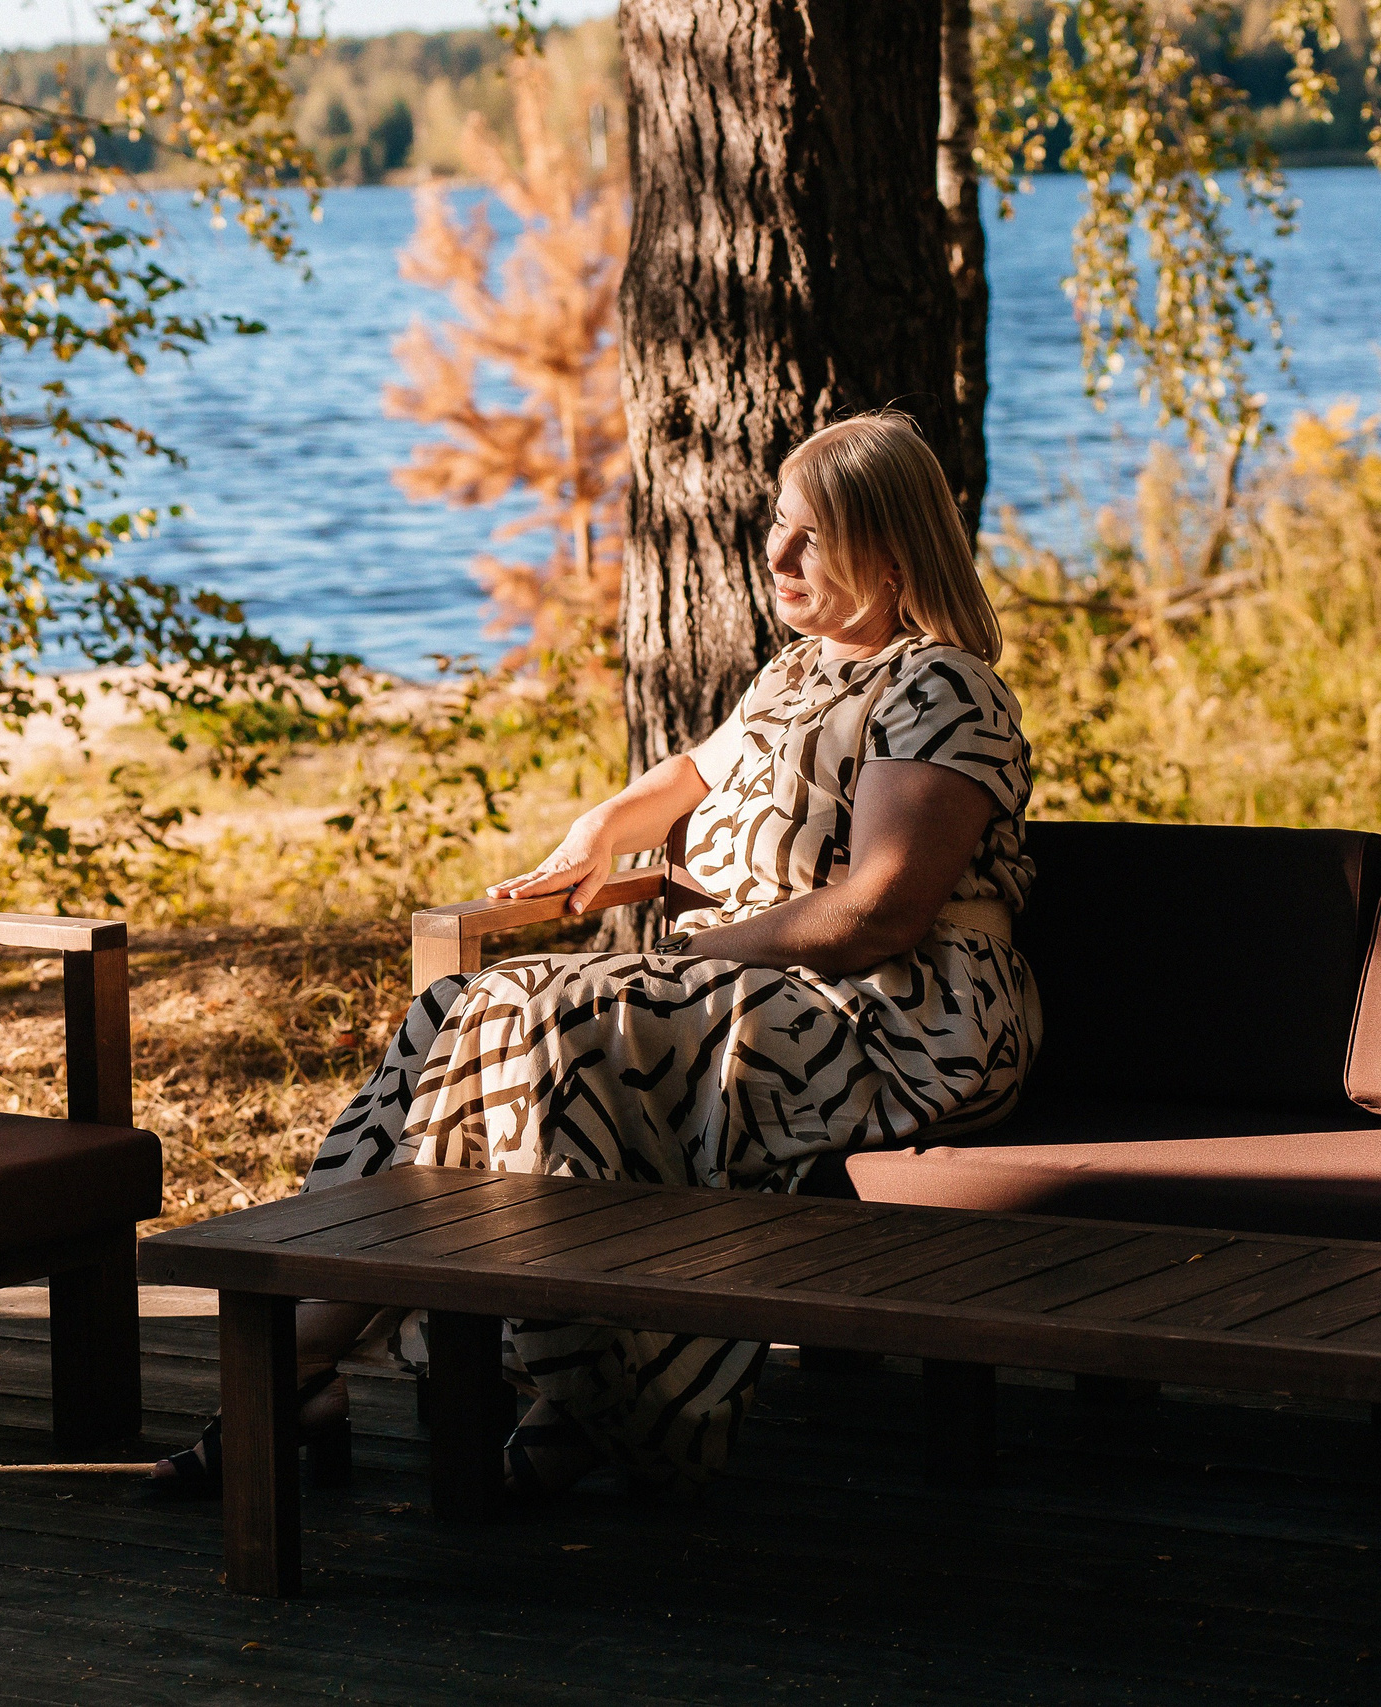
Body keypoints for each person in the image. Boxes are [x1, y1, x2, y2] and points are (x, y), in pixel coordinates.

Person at [156, 410, 1041, 1497]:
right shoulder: (795, 678)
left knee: (559, 1015)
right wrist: (602, 828)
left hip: (899, 1020)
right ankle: (447, 1368)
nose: (774, 555)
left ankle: (346, 1358)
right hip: (750, 993)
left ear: (892, 551)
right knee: (466, 1008)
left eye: (810, 536)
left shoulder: (943, 690)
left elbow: (875, 917)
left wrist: (702, 952)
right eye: (776, 524)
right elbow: (690, 772)